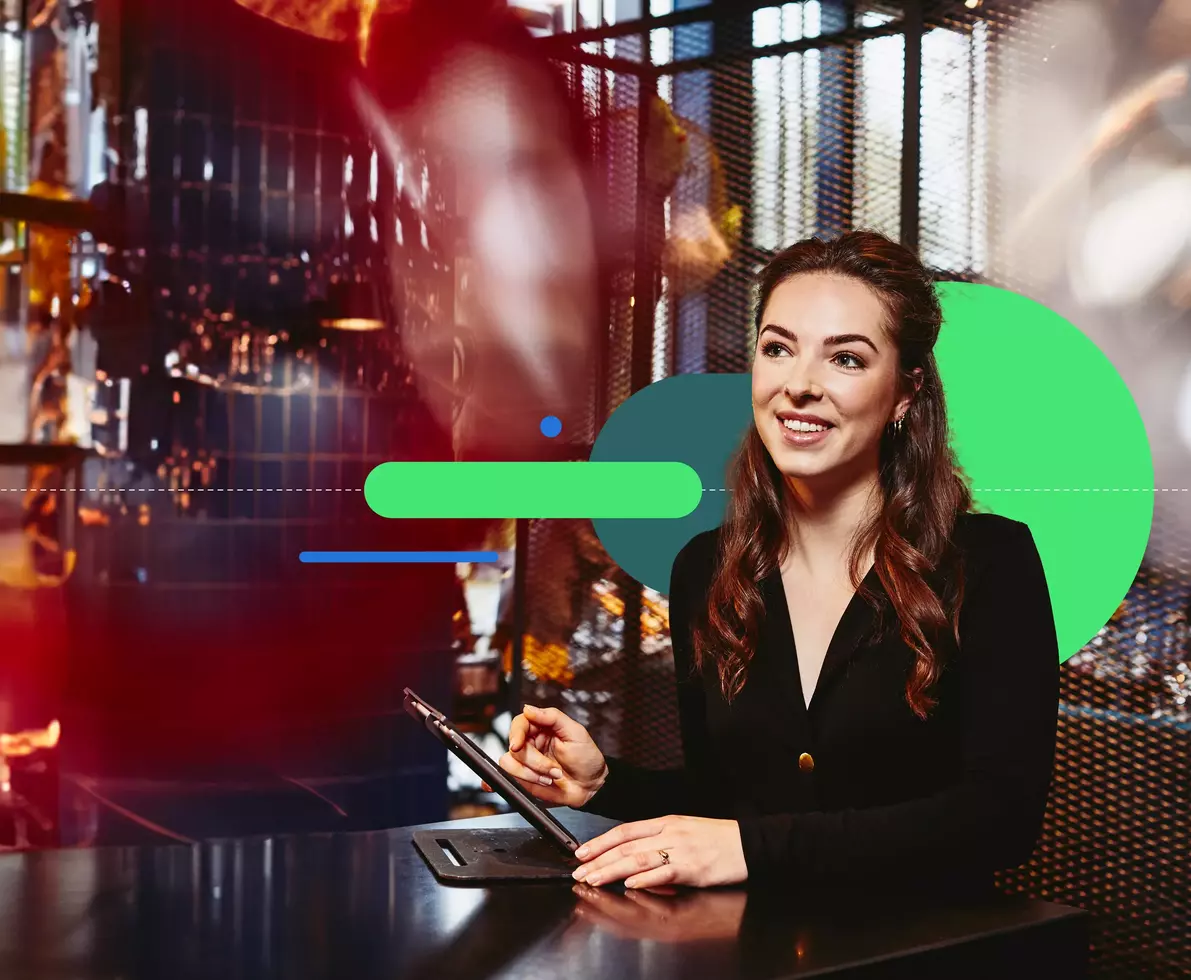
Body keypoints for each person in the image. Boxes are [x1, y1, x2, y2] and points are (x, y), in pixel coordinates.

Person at [496, 230, 1060, 897]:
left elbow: (999, 819)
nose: (799, 385)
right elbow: (728, 802)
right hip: (748, 951)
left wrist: (752, 849)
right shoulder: (704, 569)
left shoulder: (990, 563)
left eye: (845, 359)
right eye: (777, 349)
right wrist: (604, 784)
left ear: (905, 393)